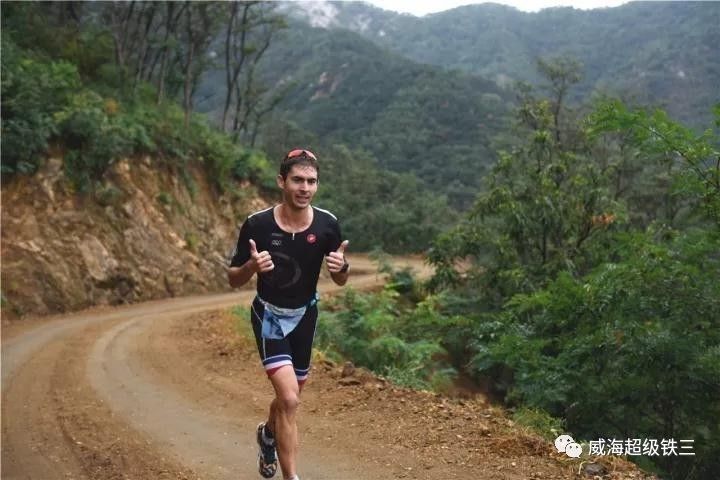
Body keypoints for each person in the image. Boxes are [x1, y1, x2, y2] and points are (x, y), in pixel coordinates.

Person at [227, 149, 349, 480]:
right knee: (290, 400)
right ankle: (292, 477)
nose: (304, 188)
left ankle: (268, 435)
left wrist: (341, 268)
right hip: (269, 316)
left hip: (305, 317)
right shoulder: (258, 224)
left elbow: (340, 277)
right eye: (297, 180)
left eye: (311, 181)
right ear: (282, 181)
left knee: (287, 401)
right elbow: (233, 278)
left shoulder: (327, 224)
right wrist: (251, 266)